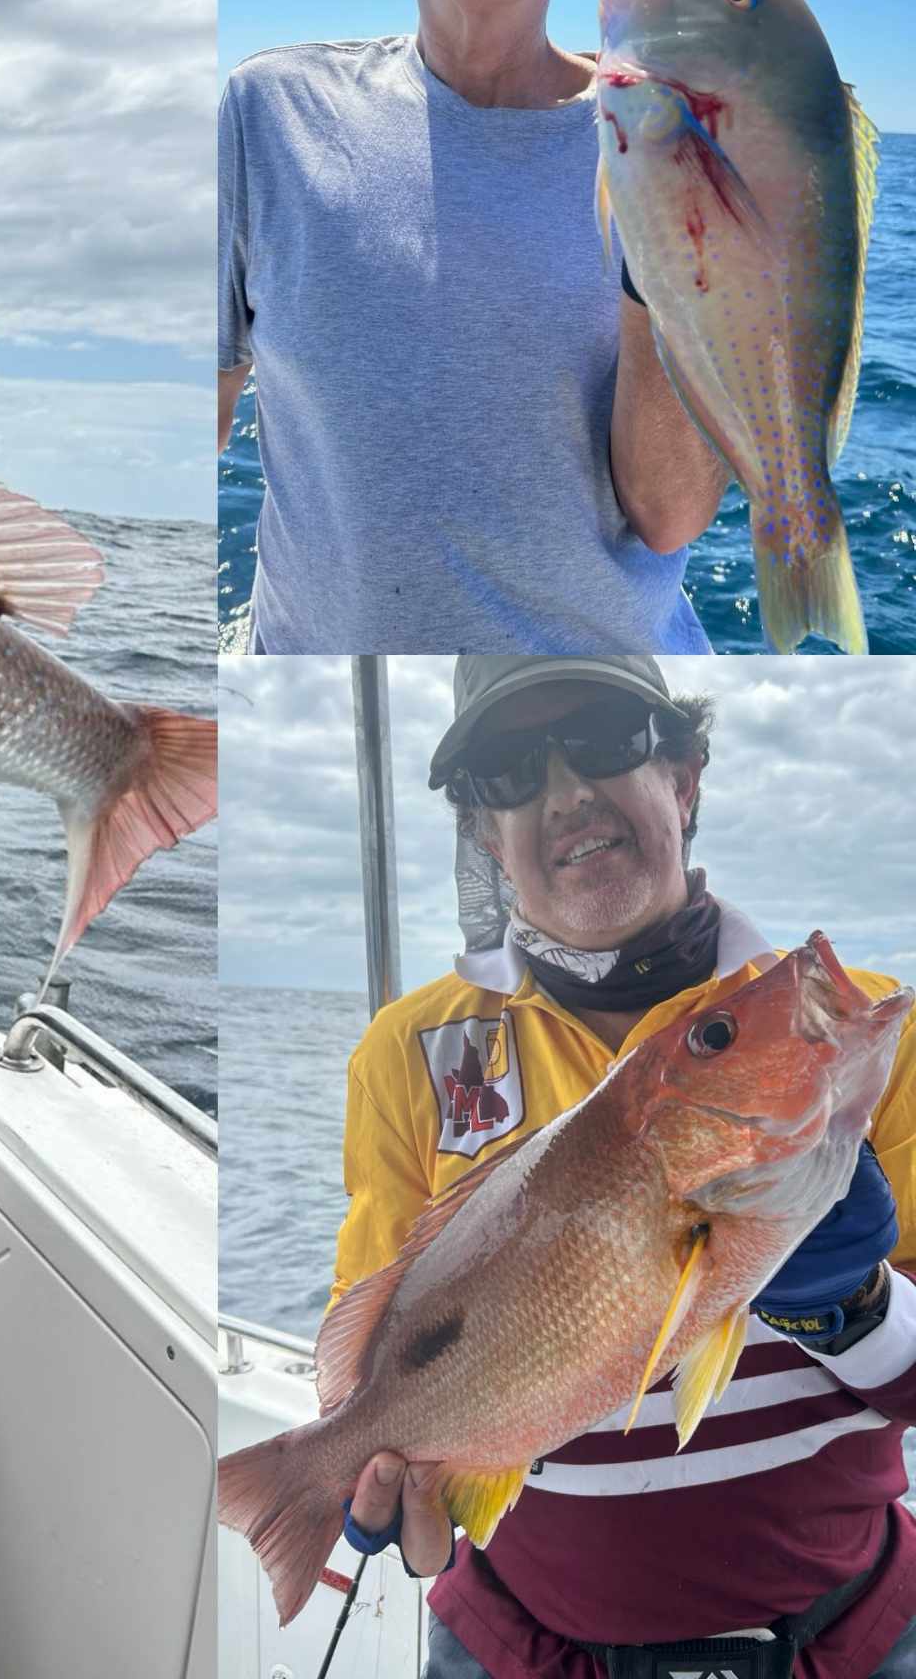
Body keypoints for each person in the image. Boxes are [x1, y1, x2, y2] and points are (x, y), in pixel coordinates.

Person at [334, 653, 916, 1677]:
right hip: (517, 1648)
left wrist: (855, 1303)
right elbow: (378, 1356)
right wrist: (374, 1476)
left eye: (605, 741)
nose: (564, 793)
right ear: (485, 833)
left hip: (848, 1640)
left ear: (683, 778)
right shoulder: (407, 1052)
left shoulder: (859, 1034)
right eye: (511, 770)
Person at [217, 0, 726, 653]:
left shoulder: (671, 147)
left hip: (601, 699)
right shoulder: (266, 114)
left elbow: (670, 514)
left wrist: (662, 226)